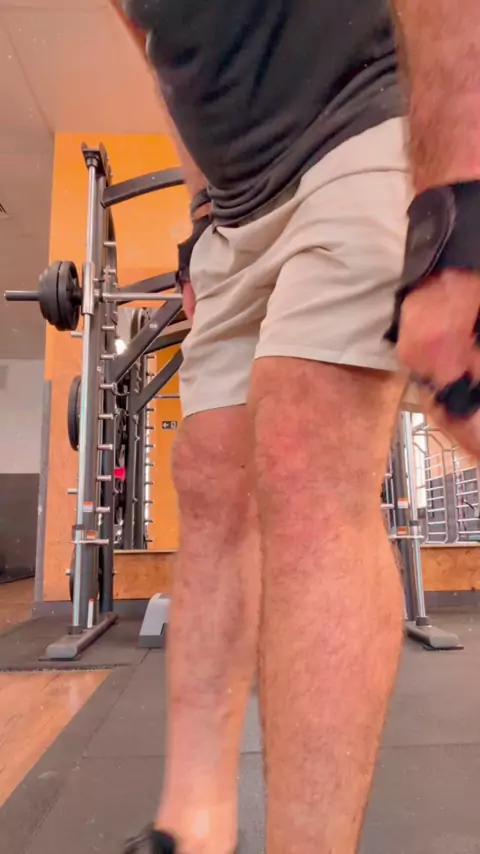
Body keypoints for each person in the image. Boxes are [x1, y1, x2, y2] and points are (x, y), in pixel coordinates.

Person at [111, 2, 480, 852]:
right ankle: (192, 826)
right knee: (208, 479)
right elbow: (161, 52)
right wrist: (201, 214)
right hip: (235, 211)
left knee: (303, 452)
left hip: (367, 123)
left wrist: (456, 203)